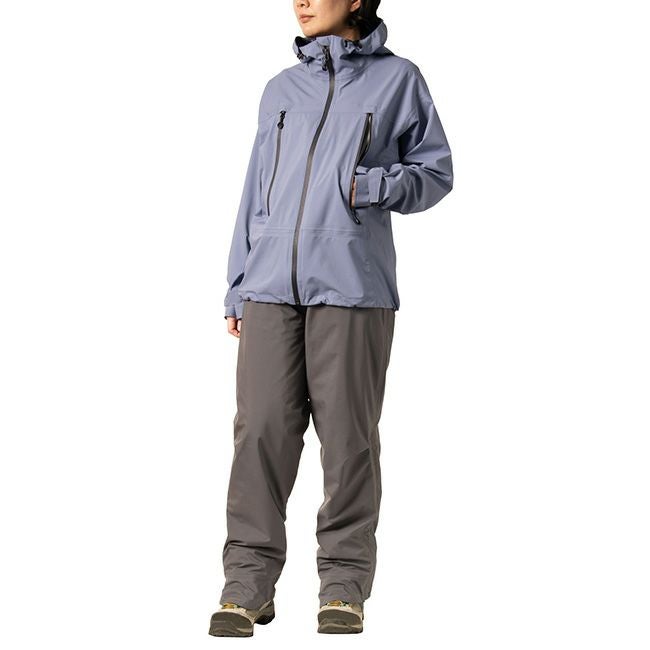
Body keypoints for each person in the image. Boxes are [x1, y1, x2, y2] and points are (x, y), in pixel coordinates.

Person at [209, 0, 453, 637]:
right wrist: (238, 283)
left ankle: (342, 588)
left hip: (352, 287)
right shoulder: (280, 89)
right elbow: (255, 189)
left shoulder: (398, 79)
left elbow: (435, 171)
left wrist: (370, 187)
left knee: (348, 442)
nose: (301, 2)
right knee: (260, 434)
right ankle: (246, 587)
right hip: (268, 287)